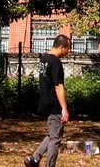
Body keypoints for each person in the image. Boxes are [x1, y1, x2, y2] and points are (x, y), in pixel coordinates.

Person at [25, 34, 70, 167]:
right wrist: (64, 108)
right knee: (56, 138)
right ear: (61, 47)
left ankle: (35, 159)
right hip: (54, 103)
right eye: (68, 49)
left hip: (45, 101)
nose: (68, 52)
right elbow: (58, 86)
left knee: (52, 134)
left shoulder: (44, 59)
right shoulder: (56, 62)